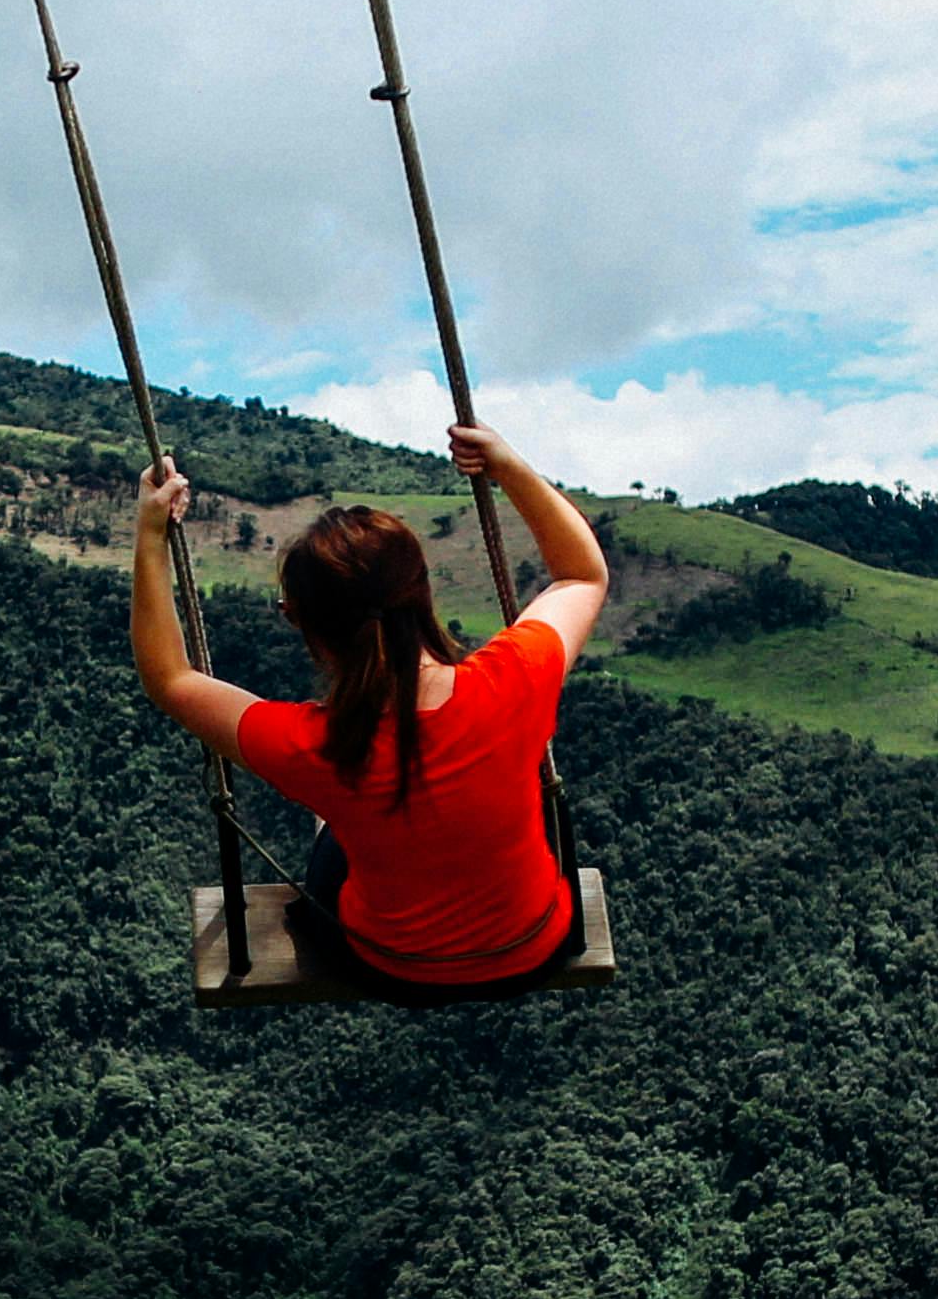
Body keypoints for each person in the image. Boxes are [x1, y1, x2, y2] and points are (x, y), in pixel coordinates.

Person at [132, 424, 609, 994]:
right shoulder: (515, 680)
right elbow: (582, 574)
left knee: (333, 834)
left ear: (306, 624)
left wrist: (150, 531)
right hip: (533, 945)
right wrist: (507, 467)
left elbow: (170, 678)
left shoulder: (313, 746)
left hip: (394, 967)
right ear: (422, 593)